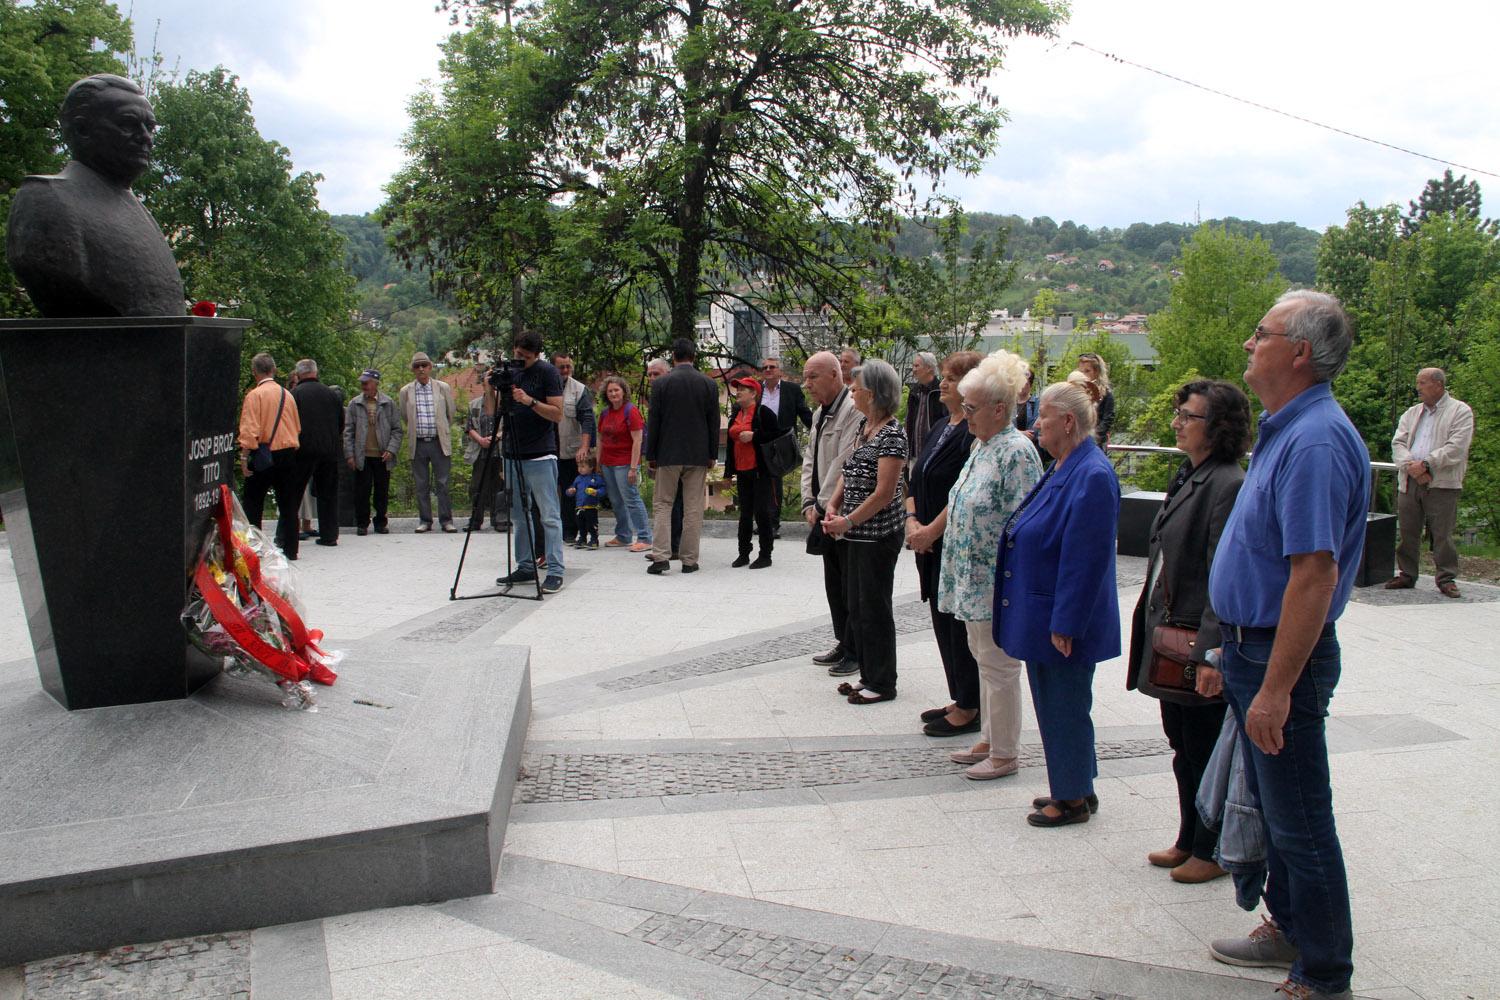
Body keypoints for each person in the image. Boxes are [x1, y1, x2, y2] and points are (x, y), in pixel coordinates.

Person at [1206, 291, 1368, 1000]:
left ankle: (1324, 974)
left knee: (1301, 822)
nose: (1248, 343)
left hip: (1280, 659)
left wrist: (1273, 686)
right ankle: (1290, 925)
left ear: (1298, 352)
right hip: (1250, 650)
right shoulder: (1288, 428)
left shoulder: (1316, 440)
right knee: (1277, 812)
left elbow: (1313, 574)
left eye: (1260, 333)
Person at [1126, 379, 1251, 883]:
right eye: (1179, 412)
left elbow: (1226, 574)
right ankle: (1187, 838)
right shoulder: (1191, 472)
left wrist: (1209, 653)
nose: (1176, 422)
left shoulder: (1228, 483)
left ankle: (1211, 848)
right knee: (1182, 745)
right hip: (1170, 636)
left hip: (1196, 643)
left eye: (1188, 416)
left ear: (1217, 427)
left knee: (1202, 747)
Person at [993, 379, 1119, 826]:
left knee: (1064, 705)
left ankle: (1070, 800)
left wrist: (1066, 622)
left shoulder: (1093, 474)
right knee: (1057, 703)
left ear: (1067, 421)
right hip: (1045, 611)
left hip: (1062, 619)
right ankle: (1077, 784)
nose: (1035, 422)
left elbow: (1086, 560)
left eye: (1042, 414)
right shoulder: (1067, 463)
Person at [939, 350, 1043, 780]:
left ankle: (1005, 752)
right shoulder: (983, 445)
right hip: (971, 577)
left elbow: (1025, 519)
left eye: (972, 408)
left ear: (1000, 409)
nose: (965, 415)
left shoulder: (1016, 451)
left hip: (994, 582)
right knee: (982, 657)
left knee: (998, 666)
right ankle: (990, 736)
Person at [6, 74, 183, 317]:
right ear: (82, 129)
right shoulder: (46, 200)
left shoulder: (131, 206)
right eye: (127, 124)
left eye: (149, 127)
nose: (146, 137)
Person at [904, 351, 980, 737]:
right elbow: (915, 480)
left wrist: (931, 530)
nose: (943, 384)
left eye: (951, 378)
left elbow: (963, 493)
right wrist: (912, 519)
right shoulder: (940, 425)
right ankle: (959, 695)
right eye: (944, 377)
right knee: (940, 618)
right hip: (927, 540)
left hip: (950, 542)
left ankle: (971, 704)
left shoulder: (973, 433)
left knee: (957, 624)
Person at [823, 360, 907, 704]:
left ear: (871, 394)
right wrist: (834, 502)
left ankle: (883, 682)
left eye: (855, 388)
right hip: (856, 533)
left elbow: (884, 492)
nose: (852, 393)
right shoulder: (865, 428)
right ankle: (868, 674)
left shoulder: (892, 434)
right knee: (856, 606)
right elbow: (849, 468)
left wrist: (849, 521)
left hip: (877, 535)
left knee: (874, 608)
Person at [800, 351, 864, 673]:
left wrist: (825, 504)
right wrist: (808, 503)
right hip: (824, 511)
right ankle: (843, 642)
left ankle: (855, 649)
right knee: (834, 583)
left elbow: (844, 463)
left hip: (843, 512)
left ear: (835, 376)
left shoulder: (852, 411)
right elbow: (809, 459)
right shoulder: (819, 414)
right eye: (805, 377)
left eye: (813, 376)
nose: (806, 384)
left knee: (850, 585)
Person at [1387, 367, 1474, 598]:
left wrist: (1426, 464)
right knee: (1408, 530)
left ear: (1438, 384)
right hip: (1410, 480)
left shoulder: (1460, 411)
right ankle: (1407, 573)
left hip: (1442, 483)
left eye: (1422, 382)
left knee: (1442, 533)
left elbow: (1456, 447)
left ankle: (1446, 577)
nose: (1418, 387)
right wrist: (1412, 468)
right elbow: (1398, 443)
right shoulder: (1412, 413)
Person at [494, 331, 567, 594]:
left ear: (536, 354)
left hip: (540, 453)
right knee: (518, 513)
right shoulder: (511, 372)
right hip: (513, 452)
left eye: (524, 357)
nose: (519, 360)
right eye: (516, 355)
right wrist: (494, 386)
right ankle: (525, 564)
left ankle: (556, 569)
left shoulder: (548, 373)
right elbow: (494, 412)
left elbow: (557, 414)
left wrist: (530, 401)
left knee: (548, 514)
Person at [644, 338, 719, 575]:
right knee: (693, 507)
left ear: (673, 357)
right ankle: (689, 560)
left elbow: (654, 422)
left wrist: (651, 454)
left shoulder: (661, 384)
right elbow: (713, 422)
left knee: (663, 505)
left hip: (668, 453)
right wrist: (712, 454)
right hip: (698, 454)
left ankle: (661, 557)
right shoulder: (708, 384)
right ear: (694, 356)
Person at [237, 352, 305, 559]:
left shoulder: (254, 396)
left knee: (253, 502)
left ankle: (256, 549)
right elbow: (297, 427)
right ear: (273, 370)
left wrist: (244, 457)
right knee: (288, 504)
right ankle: (291, 549)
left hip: (263, 453)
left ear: (254, 371)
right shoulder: (288, 394)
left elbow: (249, 429)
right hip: (287, 453)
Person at [724, 376, 781, 568]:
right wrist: (727, 473)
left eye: (743, 389)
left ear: (754, 393)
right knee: (745, 513)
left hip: (760, 471)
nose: (738, 391)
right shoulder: (735, 414)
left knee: (762, 513)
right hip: (741, 471)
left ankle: (765, 555)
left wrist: (754, 436)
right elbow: (730, 447)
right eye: (737, 388)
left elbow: (777, 436)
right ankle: (743, 553)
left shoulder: (763, 413)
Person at [399, 351, 459, 533]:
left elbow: (451, 413)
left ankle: (446, 520)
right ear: (413, 370)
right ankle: (425, 520)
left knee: (443, 483)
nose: (421, 369)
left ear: (431, 367)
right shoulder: (405, 391)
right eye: (417, 366)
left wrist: (442, 431)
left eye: (424, 365)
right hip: (418, 443)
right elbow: (405, 416)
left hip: (438, 442)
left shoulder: (443, 388)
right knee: (421, 484)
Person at [289, 359, 344, 548]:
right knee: (328, 494)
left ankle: (287, 535)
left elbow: (291, 423)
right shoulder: (331, 394)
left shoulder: (295, 394)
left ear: (298, 374)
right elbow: (340, 423)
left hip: (303, 450)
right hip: (329, 450)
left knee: (294, 493)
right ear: (316, 372)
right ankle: (329, 535)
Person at [597, 375, 652, 552]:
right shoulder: (605, 413)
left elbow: (637, 440)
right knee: (616, 500)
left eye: (616, 390)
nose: (613, 393)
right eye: (610, 391)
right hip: (608, 462)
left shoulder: (631, 411)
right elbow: (600, 439)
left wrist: (633, 467)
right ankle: (623, 535)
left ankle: (645, 537)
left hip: (625, 463)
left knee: (631, 498)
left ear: (623, 391)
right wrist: (598, 462)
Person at [344, 369, 402, 535]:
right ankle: (362, 523)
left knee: (381, 491)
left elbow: (397, 430)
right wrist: (349, 454)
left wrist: (391, 449)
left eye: (366, 382)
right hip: (362, 455)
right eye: (362, 382)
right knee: (361, 491)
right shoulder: (354, 404)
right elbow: (348, 431)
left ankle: (381, 522)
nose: (363, 385)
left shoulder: (388, 403)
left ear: (376, 383)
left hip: (382, 455)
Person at [758, 356, 813, 533]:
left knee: (775, 482)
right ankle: (761, 522)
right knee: (759, 482)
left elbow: (804, 414)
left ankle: (773, 523)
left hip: (780, 443)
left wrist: (819, 430)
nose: (768, 370)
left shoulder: (792, 390)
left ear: (780, 371)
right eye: (765, 367)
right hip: (758, 440)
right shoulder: (757, 390)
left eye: (772, 367)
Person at [551, 353, 597, 546]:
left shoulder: (579, 390)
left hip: (570, 451)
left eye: (568, 366)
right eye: (561, 367)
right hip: (547, 450)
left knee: (571, 492)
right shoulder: (543, 386)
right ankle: (551, 531)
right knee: (550, 492)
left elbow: (587, 420)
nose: (565, 371)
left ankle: (571, 531)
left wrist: (585, 447)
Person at [644, 358, 684, 559]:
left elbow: (656, 427)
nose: (652, 378)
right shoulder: (659, 393)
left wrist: (651, 455)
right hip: (668, 454)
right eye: (649, 374)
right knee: (671, 502)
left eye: (656, 374)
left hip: (673, 456)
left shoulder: (669, 394)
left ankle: (671, 547)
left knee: (669, 502)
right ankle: (670, 546)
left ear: (667, 374)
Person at [463, 367, 505, 532]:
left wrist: (497, 437)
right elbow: (469, 426)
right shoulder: (474, 404)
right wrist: (480, 439)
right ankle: (475, 519)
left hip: (499, 450)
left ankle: (499, 518)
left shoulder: (503, 403)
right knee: (477, 486)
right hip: (481, 451)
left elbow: (509, 426)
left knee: (499, 485)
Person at [902, 351, 944, 460]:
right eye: (913, 366)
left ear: (929, 368)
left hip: (934, 455)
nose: (914, 369)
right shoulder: (914, 392)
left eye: (917, 366)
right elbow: (909, 422)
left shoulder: (940, 391)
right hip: (914, 454)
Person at [1074, 352, 1115, 446]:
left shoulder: (1106, 393)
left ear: (1097, 372)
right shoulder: (1074, 391)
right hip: (1074, 441)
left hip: (1094, 442)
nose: (1083, 375)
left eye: (1087, 371)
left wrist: (1093, 436)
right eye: (1081, 371)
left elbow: (1107, 419)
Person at [566, 455, 606, 549]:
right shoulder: (578, 479)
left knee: (591, 524)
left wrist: (596, 492)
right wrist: (570, 491)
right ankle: (582, 539)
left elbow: (603, 489)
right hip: (579, 507)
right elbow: (570, 490)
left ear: (591, 467)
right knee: (581, 524)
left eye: (583, 466)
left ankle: (594, 540)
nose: (580, 469)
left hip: (591, 507)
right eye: (579, 466)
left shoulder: (596, 478)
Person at [1013, 367, 1051, 465]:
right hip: (1013, 449)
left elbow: (1036, 430)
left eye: (1024, 382)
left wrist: (1015, 434)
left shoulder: (1038, 403)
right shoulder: (1009, 404)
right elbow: (1003, 428)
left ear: (1030, 384)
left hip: (1032, 451)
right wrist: (1020, 434)